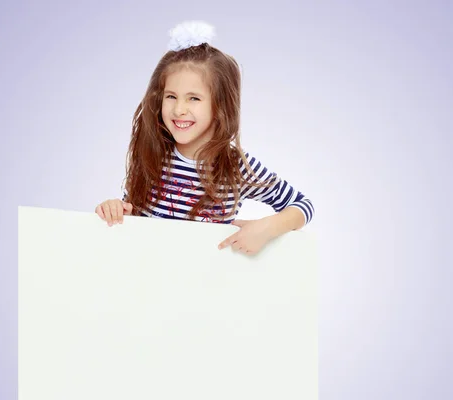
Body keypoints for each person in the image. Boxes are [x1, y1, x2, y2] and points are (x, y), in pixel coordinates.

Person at [96, 21, 314, 255]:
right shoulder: (154, 154)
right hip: (148, 278)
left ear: (220, 105)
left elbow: (303, 206)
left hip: (205, 284)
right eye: (171, 96)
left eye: (194, 98)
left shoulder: (235, 166)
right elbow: (134, 216)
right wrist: (117, 209)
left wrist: (265, 228)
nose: (179, 109)